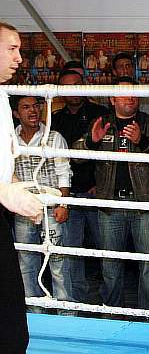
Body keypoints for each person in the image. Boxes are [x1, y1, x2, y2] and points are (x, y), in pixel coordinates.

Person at [77, 76, 149, 310]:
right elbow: (75, 155)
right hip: (110, 203)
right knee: (110, 265)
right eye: (125, 93)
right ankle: (112, 314)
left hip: (144, 203)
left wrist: (142, 141)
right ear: (112, 98)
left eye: (134, 93)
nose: (131, 97)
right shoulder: (101, 122)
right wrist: (91, 141)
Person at [0, 21, 45, 353]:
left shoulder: (2, 96)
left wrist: (17, 189)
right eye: (11, 49)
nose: (19, 58)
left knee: (11, 316)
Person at [11, 95, 75, 311]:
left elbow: (64, 172)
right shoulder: (10, 140)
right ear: (16, 113)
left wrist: (63, 204)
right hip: (22, 208)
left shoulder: (54, 137)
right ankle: (34, 312)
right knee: (26, 263)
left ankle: (66, 314)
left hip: (51, 207)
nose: (33, 111)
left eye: (36, 106)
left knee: (58, 262)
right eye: (26, 107)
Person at [52, 68, 108, 303]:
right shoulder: (55, 118)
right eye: (68, 87)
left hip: (97, 191)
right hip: (68, 194)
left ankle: (110, 302)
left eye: (77, 85)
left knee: (107, 250)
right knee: (72, 251)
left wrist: (101, 183)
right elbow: (55, 159)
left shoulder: (101, 113)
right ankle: (77, 302)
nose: (74, 91)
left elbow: (110, 152)